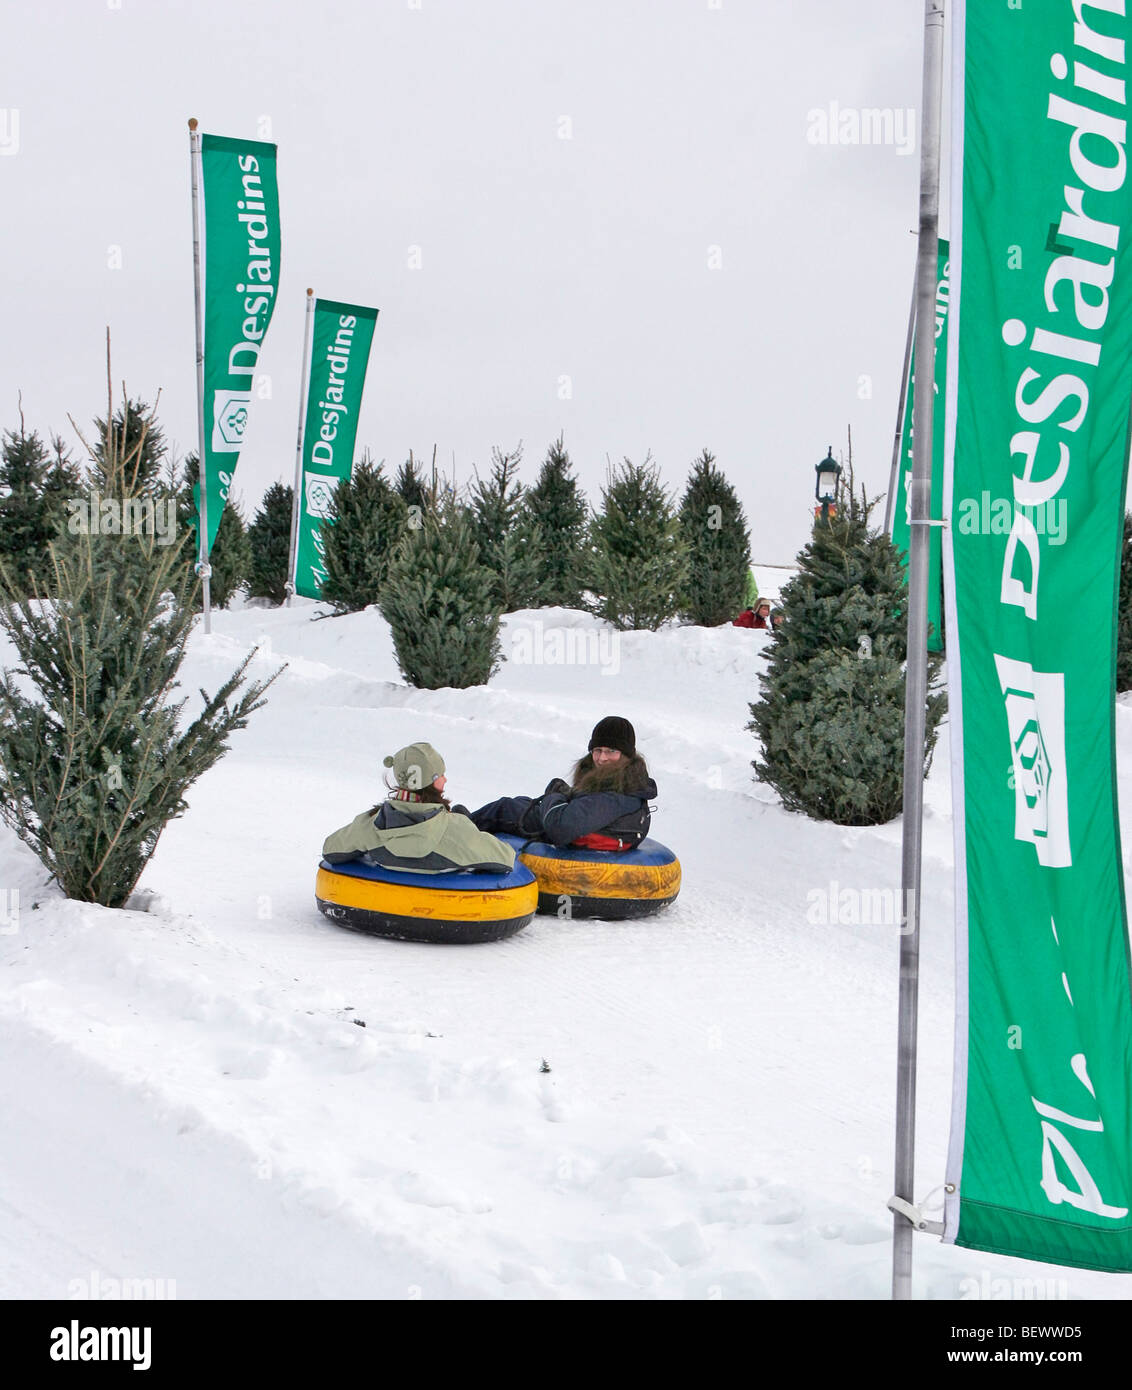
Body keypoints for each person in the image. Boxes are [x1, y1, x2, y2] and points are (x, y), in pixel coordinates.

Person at [322, 742, 515, 874]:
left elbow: (331, 850)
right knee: (462, 812)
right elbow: (505, 859)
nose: (445, 779)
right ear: (430, 781)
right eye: (440, 775)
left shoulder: (371, 824)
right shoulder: (455, 829)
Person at [470, 716, 657, 851]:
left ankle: (456, 830)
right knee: (522, 801)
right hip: (592, 824)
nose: (601, 758)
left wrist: (555, 795)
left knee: (504, 808)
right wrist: (565, 794)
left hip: (572, 829)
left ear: (626, 755)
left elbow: (560, 827)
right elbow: (586, 807)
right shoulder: (623, 782)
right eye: (597, 750)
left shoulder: (615, 797)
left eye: (611, 751)